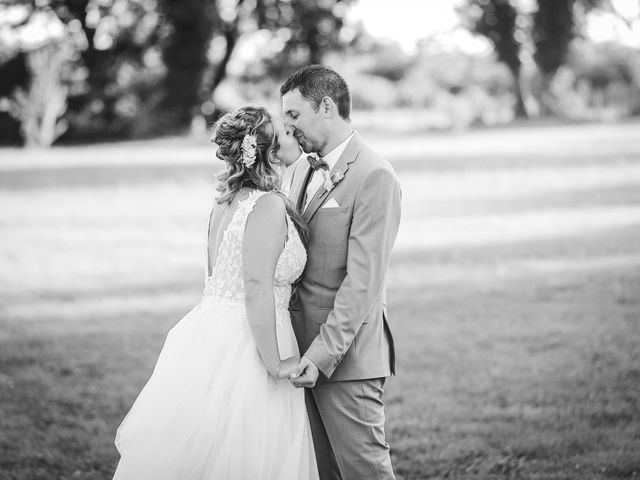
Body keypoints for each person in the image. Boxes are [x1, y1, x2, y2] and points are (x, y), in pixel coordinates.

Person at [112, 106, 319, 480]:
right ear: (268, 151)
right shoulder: (267, 205)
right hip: (251, 346)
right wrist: (275, 364)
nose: (292, 134)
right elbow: (255, 286)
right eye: (284, 133)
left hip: (210, 335)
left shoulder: (224, 203)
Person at [282, 65, 402, 480]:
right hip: (295, 357)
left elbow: (363, 283)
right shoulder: (298, 169)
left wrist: (320, 354)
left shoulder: (375, 175)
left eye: (294, 115)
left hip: (344, 359)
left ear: (327, 107)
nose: (287, 127)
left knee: (364, 473)